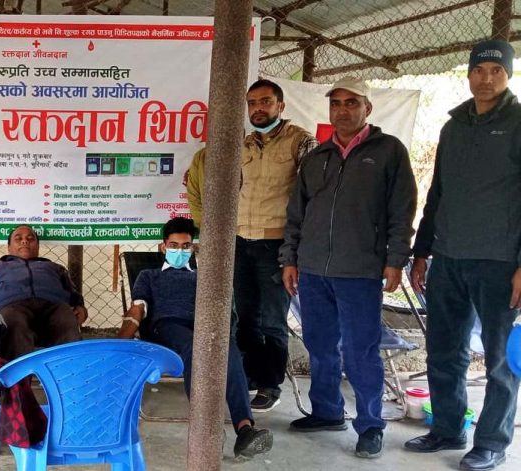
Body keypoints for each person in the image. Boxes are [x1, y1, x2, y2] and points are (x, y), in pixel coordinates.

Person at [279, 76, 417, 459]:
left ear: (367, 108)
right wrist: (290, 259)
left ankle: (370, 425)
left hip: (359, 270)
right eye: (336, 103)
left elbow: (402, 210)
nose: (342, 110)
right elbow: (296, 214)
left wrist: (395, 260)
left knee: (361, 350)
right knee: (320, 345)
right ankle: (327, 412)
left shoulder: (388, 151)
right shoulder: (316, 157)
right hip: (313, 269)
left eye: (351, 102)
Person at [404, 39, 521, 471]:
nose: (486, 79)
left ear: (508, 75)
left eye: (496, 71)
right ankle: (448, 428)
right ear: (469, 74)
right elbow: (437, 193)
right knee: (443, 350)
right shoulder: (453, 127)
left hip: (499, 261)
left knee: (499, 361)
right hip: (448, 257)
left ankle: (491, 442)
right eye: (479, 70)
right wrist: (422, 252)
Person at [118, 217, 273, 461]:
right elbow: (138, 309)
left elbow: (220, 310)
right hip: (167, 327)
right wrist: (119, 344)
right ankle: (207, 429)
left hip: (203, 327)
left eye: (185, 246)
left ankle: (245, 429)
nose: (179, 251)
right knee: (195, 348)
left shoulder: (203, 277)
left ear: (193, 248)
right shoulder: (149, 276)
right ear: (163, 247)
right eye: (173, 245)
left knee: (228, 350)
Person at [231, 80, 318, 412]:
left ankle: (271, 384)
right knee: (245, 317)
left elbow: (315, 193)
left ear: (280, 106)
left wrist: (297, 247)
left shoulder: (300, 141)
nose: (258, 108)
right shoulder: (245, 144)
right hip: (241, 241)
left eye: (265, 102)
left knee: (272, 319)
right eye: (252, 103)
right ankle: (251, 377)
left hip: (277, 244)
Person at [0, 225, 86, 360]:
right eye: (18, 238)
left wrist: (80, 307)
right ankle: (18, 373)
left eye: (30, 238)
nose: (24, 241)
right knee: (12, 321)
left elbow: (72, 291)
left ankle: (68, 370)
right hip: (12, 305)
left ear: (37, 247)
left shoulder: (54, 267)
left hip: (52, 306)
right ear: (9, 247)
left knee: (66, 318)